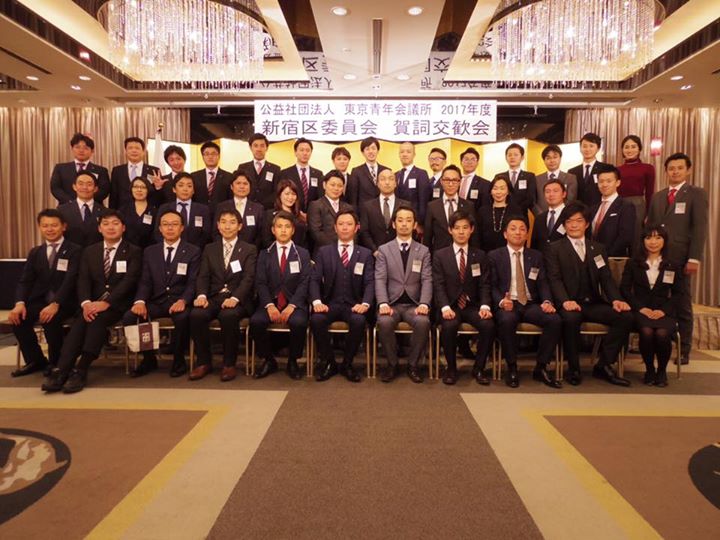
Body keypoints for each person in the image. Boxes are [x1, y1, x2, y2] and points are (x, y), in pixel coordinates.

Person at [42, 210, 142, 393]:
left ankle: (81, 369)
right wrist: (86, 303)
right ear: (99, 228)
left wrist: (107, 302)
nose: (110, 227)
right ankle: (62, 370)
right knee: (80, 323)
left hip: (118, 304)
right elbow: (83, 280)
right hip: (91, 304)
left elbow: (130, 281)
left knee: (96, 320)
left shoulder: (134, 251)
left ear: (123, 227)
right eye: (106, 223)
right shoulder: (90, 251)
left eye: (115, 223)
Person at [545, 202, 633, 386]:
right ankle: (574, 368)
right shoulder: (554, 248)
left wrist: (616, 300)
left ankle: (604, 365)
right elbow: (554, 279)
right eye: (569, 221)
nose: (573, 225)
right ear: (564, 224)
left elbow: (606, 279)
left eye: (578, 221)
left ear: (586, 224)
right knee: (571, 319)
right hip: (569, 303)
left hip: (592, 302)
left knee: (624, 316)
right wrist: (565, 301)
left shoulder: (598, 248)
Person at [646, 153, 708, 364]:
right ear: (666, 171)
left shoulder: (696, 194)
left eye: (680, 168)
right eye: (671, 168)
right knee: (658, 299)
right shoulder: (658, 196)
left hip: (681, 258)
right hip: (658, 257)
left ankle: (684, 349)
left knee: (682, 302)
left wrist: (694, 258)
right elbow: (651, 228)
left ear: (688, 170)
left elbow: (699, 228)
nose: (675, 172)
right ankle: (659, 343)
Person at [123, 210, 200, 378]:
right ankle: (149, 359)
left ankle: (179, 360)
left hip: (179, 300)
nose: (170, 228)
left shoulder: (193, 251)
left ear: (182, 228)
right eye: (165, 224)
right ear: (160, 228)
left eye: (174, 224)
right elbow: (145, 281)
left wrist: (184, 300)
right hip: (157, 301)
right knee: (131, 316)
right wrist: (140, 301)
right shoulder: (150, 251)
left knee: (183, 318)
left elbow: (193, 282)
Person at [488, 217, 562, 388]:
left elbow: (543, 282)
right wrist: (501, 301)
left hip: (530, 303)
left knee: (554, 320)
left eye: (522, 229)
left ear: (527, 234)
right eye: (513, 229)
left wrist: (547, 301)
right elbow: (491, 285)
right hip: (508, 303)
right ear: (505, 234)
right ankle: (512, 367)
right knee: (507, 320)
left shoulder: (536, 256)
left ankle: (541, 367)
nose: (518, 232)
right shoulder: (494, 256)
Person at [9, 209, 81, 377]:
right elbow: (25, 281)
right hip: (42, 300)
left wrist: (56, 303)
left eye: (54, 225)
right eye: (45, 226)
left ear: (63, 227)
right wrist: (19, 303)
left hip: (67, 301)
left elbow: (71, 280)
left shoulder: (75, 250)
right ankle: (35, 360)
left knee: (50, 319)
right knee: (18, 318)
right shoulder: (36, 252)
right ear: (39, 227)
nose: (50, 229)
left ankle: (57, 363)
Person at [189, 209, 257, 382]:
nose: (227, 226)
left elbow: (248, 278)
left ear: (240, 226)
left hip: (238, 299)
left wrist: (235, 298)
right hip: (213, 297)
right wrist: (202, 295)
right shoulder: (209, 248)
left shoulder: (249, 249)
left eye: (232, 222)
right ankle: (204, 362)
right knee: (197, 314)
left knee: (228, 316)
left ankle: (229, 364)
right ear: (218, 226)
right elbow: (203, 276)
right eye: (224, 222)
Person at [310, 211, 374, 383]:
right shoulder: (324, 252)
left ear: (356, 228)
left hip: (353, 305)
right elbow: (314, 279)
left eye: (349, 224)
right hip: (330, 304)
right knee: (316, 319)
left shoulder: (365, 253)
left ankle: (347, 363)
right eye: (341, 224)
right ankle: (329, 362)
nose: (345, 227)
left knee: (359, 321)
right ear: (335, 228)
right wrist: (317, 302)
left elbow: (370, 282)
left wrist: (365, 303)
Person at [433, 211, 495, 385]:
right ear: (450, 230)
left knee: (488, 325)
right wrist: (445, 307)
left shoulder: (480, 255)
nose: (461, 232)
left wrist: (485, 306)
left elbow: (484, 284)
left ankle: (479, 368)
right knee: (449, 326)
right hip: (450, 306)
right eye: (457, 228)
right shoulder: (440, 255)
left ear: (471, 230)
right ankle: (451, 368)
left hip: (472, 305)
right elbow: (438, 285)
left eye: (465, 228)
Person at [251, 211, 312, 380]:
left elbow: (305, 282)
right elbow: (260, 283)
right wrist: (269, 305)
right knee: (256, 321)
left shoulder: (302, 254)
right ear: (273, 230)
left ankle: (293, 360)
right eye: (279, 227)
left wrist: (292, 306)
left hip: (294, 303)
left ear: (293, 230)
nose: (283, 230)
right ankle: (268, 360)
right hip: (270, 302)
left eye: (287, 227)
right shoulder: (264, 254)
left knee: (299, 322)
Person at [620, 226, 683, 387]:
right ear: (643, 241)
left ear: (664, 241)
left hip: (664, 311)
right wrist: (640, 308)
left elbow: (678, 293)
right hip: (641, 310)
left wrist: (663, 310)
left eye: (658, 238)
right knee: (646, 332)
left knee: (662, 333)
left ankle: (661, 371)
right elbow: (625, 290)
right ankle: (649, 369)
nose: (653, 242)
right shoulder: (633, 263)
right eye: (648, 238)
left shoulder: (673, 264)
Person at [375, 206, 432, 384]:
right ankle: (392, 364)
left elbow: (427, 279)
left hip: (414, 305)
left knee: (423, 322)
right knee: (384, 322)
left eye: (408, 220)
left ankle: (413, 365)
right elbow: (380, 278)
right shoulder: (384, 250)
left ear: (415, 225)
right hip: (391, 304)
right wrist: (383, 303)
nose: (404, 224)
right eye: (400, 220)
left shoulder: (423, 251)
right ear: (394, 224)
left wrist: (424, 303)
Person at [424, 165, 475, 252]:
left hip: (463, 254)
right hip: (439, 254)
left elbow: (474, 236)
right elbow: (427, 237)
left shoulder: (469, 206)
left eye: (454, 180)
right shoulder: (432, 206)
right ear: (441, 181)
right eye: (447, 180)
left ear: (460, 182)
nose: (451, 184)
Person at [359, 170, 410, 256]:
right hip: (375, 254)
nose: (387, 182)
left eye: (391, 179)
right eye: (383, 179)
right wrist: (375, 251)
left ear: (395, 183)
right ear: (378, 184)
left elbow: (409, 230)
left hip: (400, 254)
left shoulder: (406, 205)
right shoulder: (367, 206)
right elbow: (364, 232)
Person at [50, 133, 110, 205]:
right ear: (72, 149)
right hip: (66, 206)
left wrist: (86, 201)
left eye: (86, 148)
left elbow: (104, 190)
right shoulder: (60, 168)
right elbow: (55, 188)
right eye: (77, 147)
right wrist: (73, 203)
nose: (81, 150)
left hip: (93, 207)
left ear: (92, 151)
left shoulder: (101, 170)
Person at [155, 173, 212, 249]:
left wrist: (193, 250)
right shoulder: (164, 208)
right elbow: (158, 232)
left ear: (193, 190)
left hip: (196, 251)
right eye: (181, 185)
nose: (185, 189)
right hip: (169, 250)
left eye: (189, 186)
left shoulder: (203, 209)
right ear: (174, 189)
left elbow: (206, 234)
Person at [590, 167, 636, 257]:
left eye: (609, 181)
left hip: (613, 258)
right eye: (601, 181)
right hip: (593, 257)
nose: (604, 184)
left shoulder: (626, 206)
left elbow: (625, 237)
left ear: (618, 183)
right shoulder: (593, 207)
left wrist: (607, 255)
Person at [617, 135, 655, 239]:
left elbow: (650, 193)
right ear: (622, 150)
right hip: (620, 204)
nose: (630, 150)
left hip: (638, 205)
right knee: (620, 234)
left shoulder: (648, 168)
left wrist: (649, 214)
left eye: (633, 147)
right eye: (626, 147)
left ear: (639, 149)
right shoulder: (617, 169)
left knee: (637, 236)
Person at [307, 170, 354, 255]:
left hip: (346, 252)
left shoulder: (348, 207)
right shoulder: (315, 205)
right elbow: (316, 232)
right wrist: (337, 247)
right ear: (324, 185)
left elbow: (354, 231)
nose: (336, 188)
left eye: (340, 186)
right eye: (332, 185)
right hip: (323, 252)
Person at [213, 171, 264, 248]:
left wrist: (250, 250)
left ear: (250, 187)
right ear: (231, 186)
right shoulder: (222, 206)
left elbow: (260, 235)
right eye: (238, 183)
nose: (242, 186)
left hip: (250, 251)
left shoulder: (258, 209)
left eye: (245, 184)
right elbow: (215, 232)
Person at [57, 171, 106, 248]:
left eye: (89, 184)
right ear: (74, 187)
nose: (85, 187)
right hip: (70, 253)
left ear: (95, 189)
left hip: (96, 253)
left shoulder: (104, 211)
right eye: (81, 184)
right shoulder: (62, 210)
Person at [109, 137, 160, 209]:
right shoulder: (117, 171)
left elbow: (158, 195)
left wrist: (158, 187)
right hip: (122, 211)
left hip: (147, 211)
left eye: (137, 148)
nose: (134, 151)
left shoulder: (154, 171)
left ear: (143, 152)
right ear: (125, 151)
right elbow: (113, 195)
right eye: (130, 148)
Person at [236, 133, 282, 210]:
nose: (259, 149)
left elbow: (277, 192)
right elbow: (239, 189)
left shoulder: (275, 169)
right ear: (250, 148)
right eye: (255, 146)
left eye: (262, 146)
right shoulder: (242, 168)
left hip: (267, 209)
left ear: (267, 148)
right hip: (247, 208)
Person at [568, 132, 615, 207]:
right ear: (580, 148)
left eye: (591, 146)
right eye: (584, 146)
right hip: (578, 211)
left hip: (600, 208)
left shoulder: (606, 168)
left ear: (598, 148)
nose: (587, 149)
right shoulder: (572, 172)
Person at [278, 138, 324, 213]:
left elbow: (320, 197)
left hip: (313, 214)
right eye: (301, 150)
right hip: (291, 213)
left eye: (308, 150)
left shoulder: (318, 174)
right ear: (295, 152)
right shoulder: (285, 173)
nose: (305, 153)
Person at [477, 176, 522, 252]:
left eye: (502, 188)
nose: (498, 192)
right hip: (486, 253)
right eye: (495, 188)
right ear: (491, 191)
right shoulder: (482, 211)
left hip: (509, 253)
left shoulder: (516, 211)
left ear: (508, 191)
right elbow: (478, 236)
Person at [345, 137, 390, 209]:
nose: (371, 151)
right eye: (367, 149)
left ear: (378, 151)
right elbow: (353, 198)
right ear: (363, 152)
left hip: (383, 210)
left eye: (373, 148)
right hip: (364, 212)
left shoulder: (386, 170)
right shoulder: (356, 172)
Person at [261, 180, 308, 249]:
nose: (290, 197)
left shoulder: (300, 216)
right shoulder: (270, 215)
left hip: (297, 252)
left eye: (293, 194)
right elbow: (266, 240)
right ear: (279, 195)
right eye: (287, 194)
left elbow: (305, 241)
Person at [492, 143, 536, 215]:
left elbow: (530, 198)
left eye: (516, 155)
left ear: (522, 157)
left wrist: (515, 209)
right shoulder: (499, 176)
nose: (512, 157)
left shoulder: (529, 176)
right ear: (506, 158)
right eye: (509, 155)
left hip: (521, 215)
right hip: (502, 214)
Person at [395, 142, 431, 227]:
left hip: (414, 221)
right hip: (399, 220)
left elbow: (423, 201)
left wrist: (420, 223)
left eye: (408, 152)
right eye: (402, 152)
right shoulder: (396, 175)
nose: (405, 154)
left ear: (414, 154)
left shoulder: (421, 174)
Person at [534, 144, 577, 214]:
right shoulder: (536, 179)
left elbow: (571, 200)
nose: (552, 160)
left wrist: (562, 214)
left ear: (560, 158)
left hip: (564, 216)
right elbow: (533, 202)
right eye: (548, 158)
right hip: (542, 217)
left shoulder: (570, 178)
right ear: (544, 160)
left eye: (555, 157)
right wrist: (541, 215)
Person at [190, 141, 234, 205]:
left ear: (219, 156)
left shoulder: (229, 177)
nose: (210, 157)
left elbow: (231, 199)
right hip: (199, 210)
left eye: (213, 154)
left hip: (221, 210)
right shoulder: (194, 176)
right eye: (207, 154)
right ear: (203, 157)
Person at [118, 177, 157, 249]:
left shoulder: (154, 211)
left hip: (149, 250)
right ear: (131, 189)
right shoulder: (123, 210)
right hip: (127, 250)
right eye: (136, 187)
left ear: (148, 190)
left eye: (143, 187)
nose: (139, 190)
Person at [531, 179, 568, 251]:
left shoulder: (570, 215)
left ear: (564, 194)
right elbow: (534, 246)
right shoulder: (539, 218)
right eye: (547, 192)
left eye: (555, 191)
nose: (551, 194)